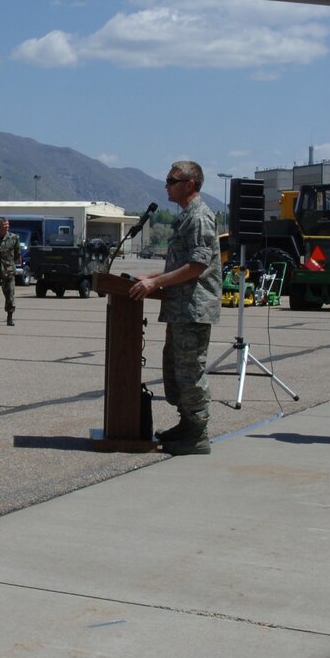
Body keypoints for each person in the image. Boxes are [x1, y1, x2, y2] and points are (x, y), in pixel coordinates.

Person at [129, 160, 221, 455]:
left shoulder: (199, 217)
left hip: (193, 308)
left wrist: (155, 285)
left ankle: (198, 433)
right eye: (167, 180)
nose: (166, 185)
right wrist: (150, 277)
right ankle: (186, 425)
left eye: (172, 181)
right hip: (182, 307)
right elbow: (181, 265)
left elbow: (196, 265)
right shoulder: (185, 217)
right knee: (176, 370)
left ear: (191, 184)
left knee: (189, 371)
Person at [0, 216, 22, 327]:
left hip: (8, 271)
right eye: (4, 225)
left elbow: (17, 254)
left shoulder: (14, 238)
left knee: (10, 296)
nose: (6, 227)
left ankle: (10, 317)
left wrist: (11, 265)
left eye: (7, 224)